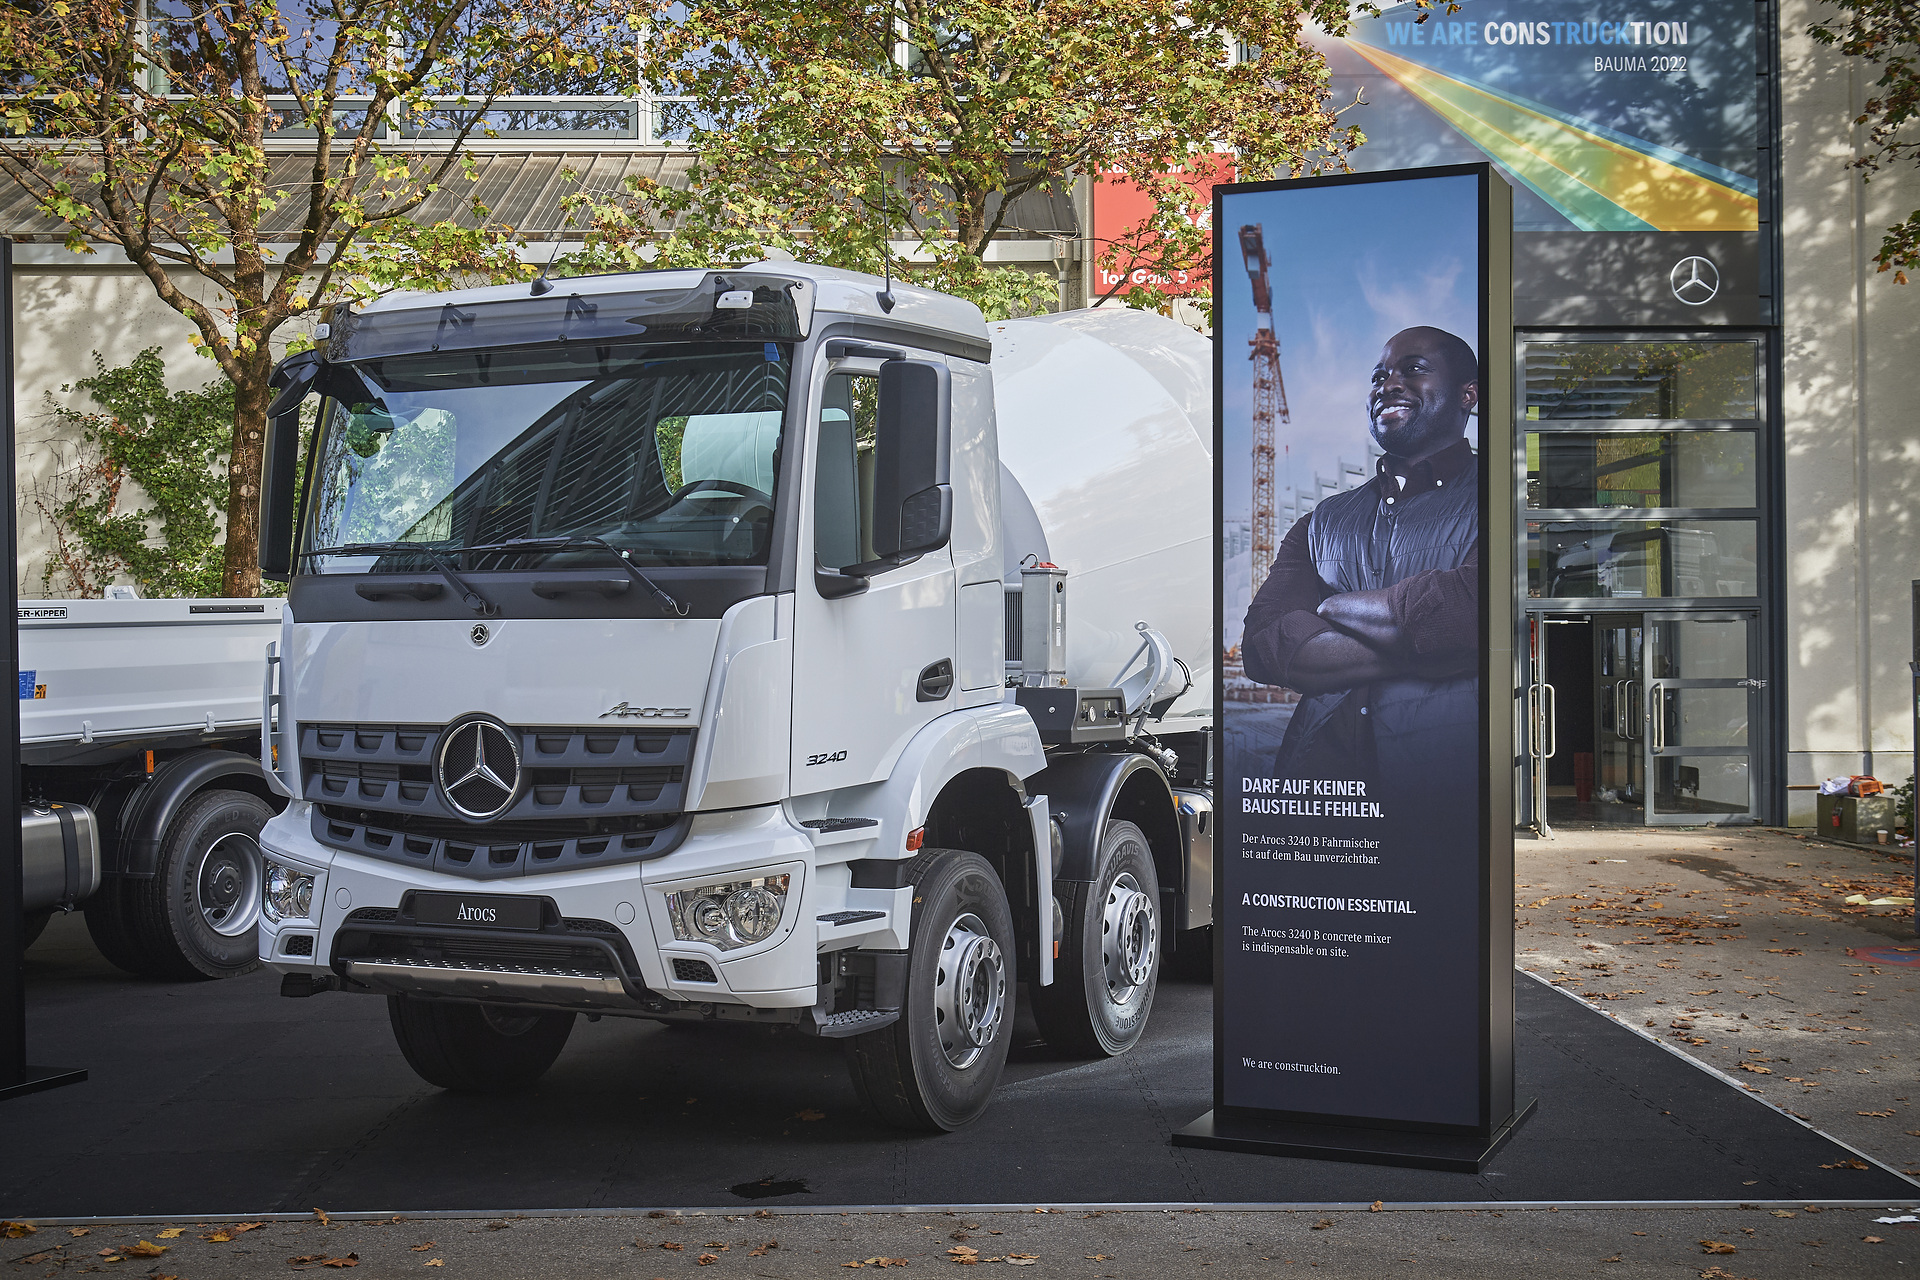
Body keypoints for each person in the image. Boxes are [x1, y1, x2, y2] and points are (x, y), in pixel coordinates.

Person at [1241, 326, 1480, 803]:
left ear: (1467, 395)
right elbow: (1263, 644)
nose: (1388, 384)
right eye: (1379, 376)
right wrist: (1426, 649)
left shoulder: (1495, 502)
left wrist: (1331, 608)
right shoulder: (1324, 520)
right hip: (1319, 791)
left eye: (1413, 369)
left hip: (1442, 785)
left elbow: (1466, 615)